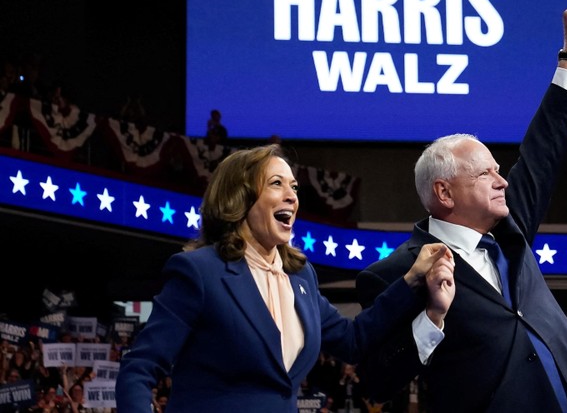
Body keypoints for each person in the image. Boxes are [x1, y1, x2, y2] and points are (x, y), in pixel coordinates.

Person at [355, 2, 567, 412]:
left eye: (498, 170)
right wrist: (430, 318)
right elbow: (377, 381)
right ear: (444, 193)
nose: (503, 181)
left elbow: (544, 149)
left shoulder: (508, 227)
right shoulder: (395, 274)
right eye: (485, 174)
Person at [115, 144, 456, 412]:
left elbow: (353, 341)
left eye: (294, 187)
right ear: (240, 197)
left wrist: (411, 280)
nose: (292, 196)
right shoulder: (199, 272)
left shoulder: (300, 277)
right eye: (276, 184)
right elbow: (139, 369)